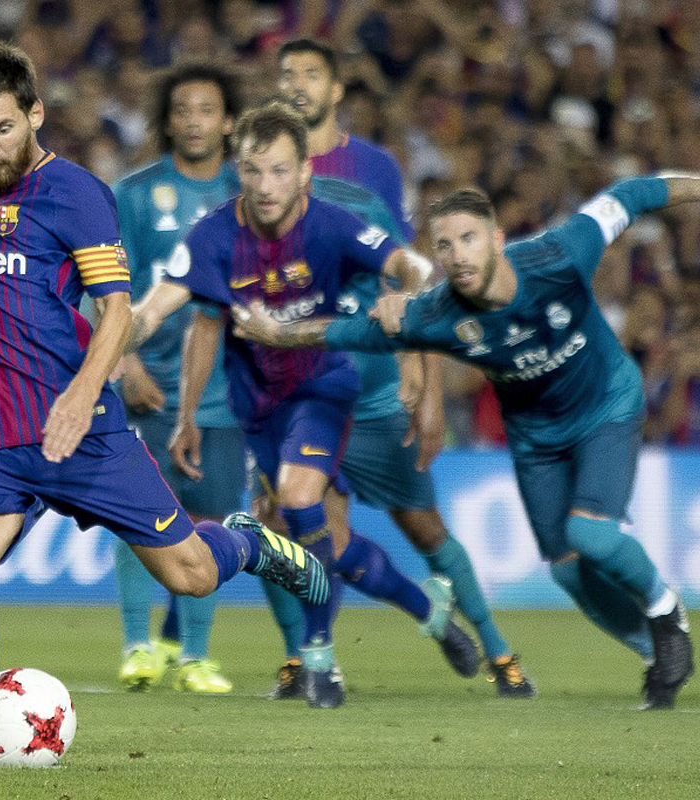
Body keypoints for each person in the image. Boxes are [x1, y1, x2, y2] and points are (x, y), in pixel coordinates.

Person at [0, 43, 328, 762]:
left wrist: (80, 398)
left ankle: (247, 541)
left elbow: (116, 313)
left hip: (80, 430)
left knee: (192, 575)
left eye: (3, 130)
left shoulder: (75, 193)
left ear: (35, 113)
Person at [231, 165, 700, 709]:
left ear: (496, 239)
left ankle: (666, 610)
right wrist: (276, 332)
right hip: (536, 438)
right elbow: (345, 331)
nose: (458, 255)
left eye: (468, 239)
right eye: (444, 246)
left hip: (606, 406)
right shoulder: (436, 315)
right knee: (569, 574)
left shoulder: (560, 253)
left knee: (591, 536)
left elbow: (632, 193)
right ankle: (657, 651)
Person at [129, 101, 457, 709]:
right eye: (253, 171)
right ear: (238, 172)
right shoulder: (214, 236)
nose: (266, 186)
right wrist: (115, 352)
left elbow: (411, 264)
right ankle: (426, 605)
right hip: (258, 410)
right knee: (312, 543)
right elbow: (158, 310)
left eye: (280, 171)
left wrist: (405, 295)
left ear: (306, 172)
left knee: (301, 500)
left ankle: (319, 657)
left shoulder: (333, 224)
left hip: (322, 388)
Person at [269, 37, 532, 698]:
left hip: (375, 385)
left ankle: (497, 650)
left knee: (423, 526)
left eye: (311, 74)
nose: (297, 84)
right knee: (291, 525)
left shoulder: (373, 169)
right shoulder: (260, 169)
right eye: (286, 75)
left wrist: (429, 384)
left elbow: (405, 273)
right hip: (305, 388)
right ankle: (310, 656)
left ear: (336, 91)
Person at [110, 63, 246, 694]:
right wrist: (121, 360)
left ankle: (195, 656)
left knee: (212, 515)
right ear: (167, 121)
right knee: (141, 513)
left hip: (226, 385)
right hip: (150, 381)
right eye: (183, 109)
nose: (194, 120)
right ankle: (139, 646)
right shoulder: (135, 194)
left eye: (207, 109)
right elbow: (106, 283)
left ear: (228, 121)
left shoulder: (249, 194)